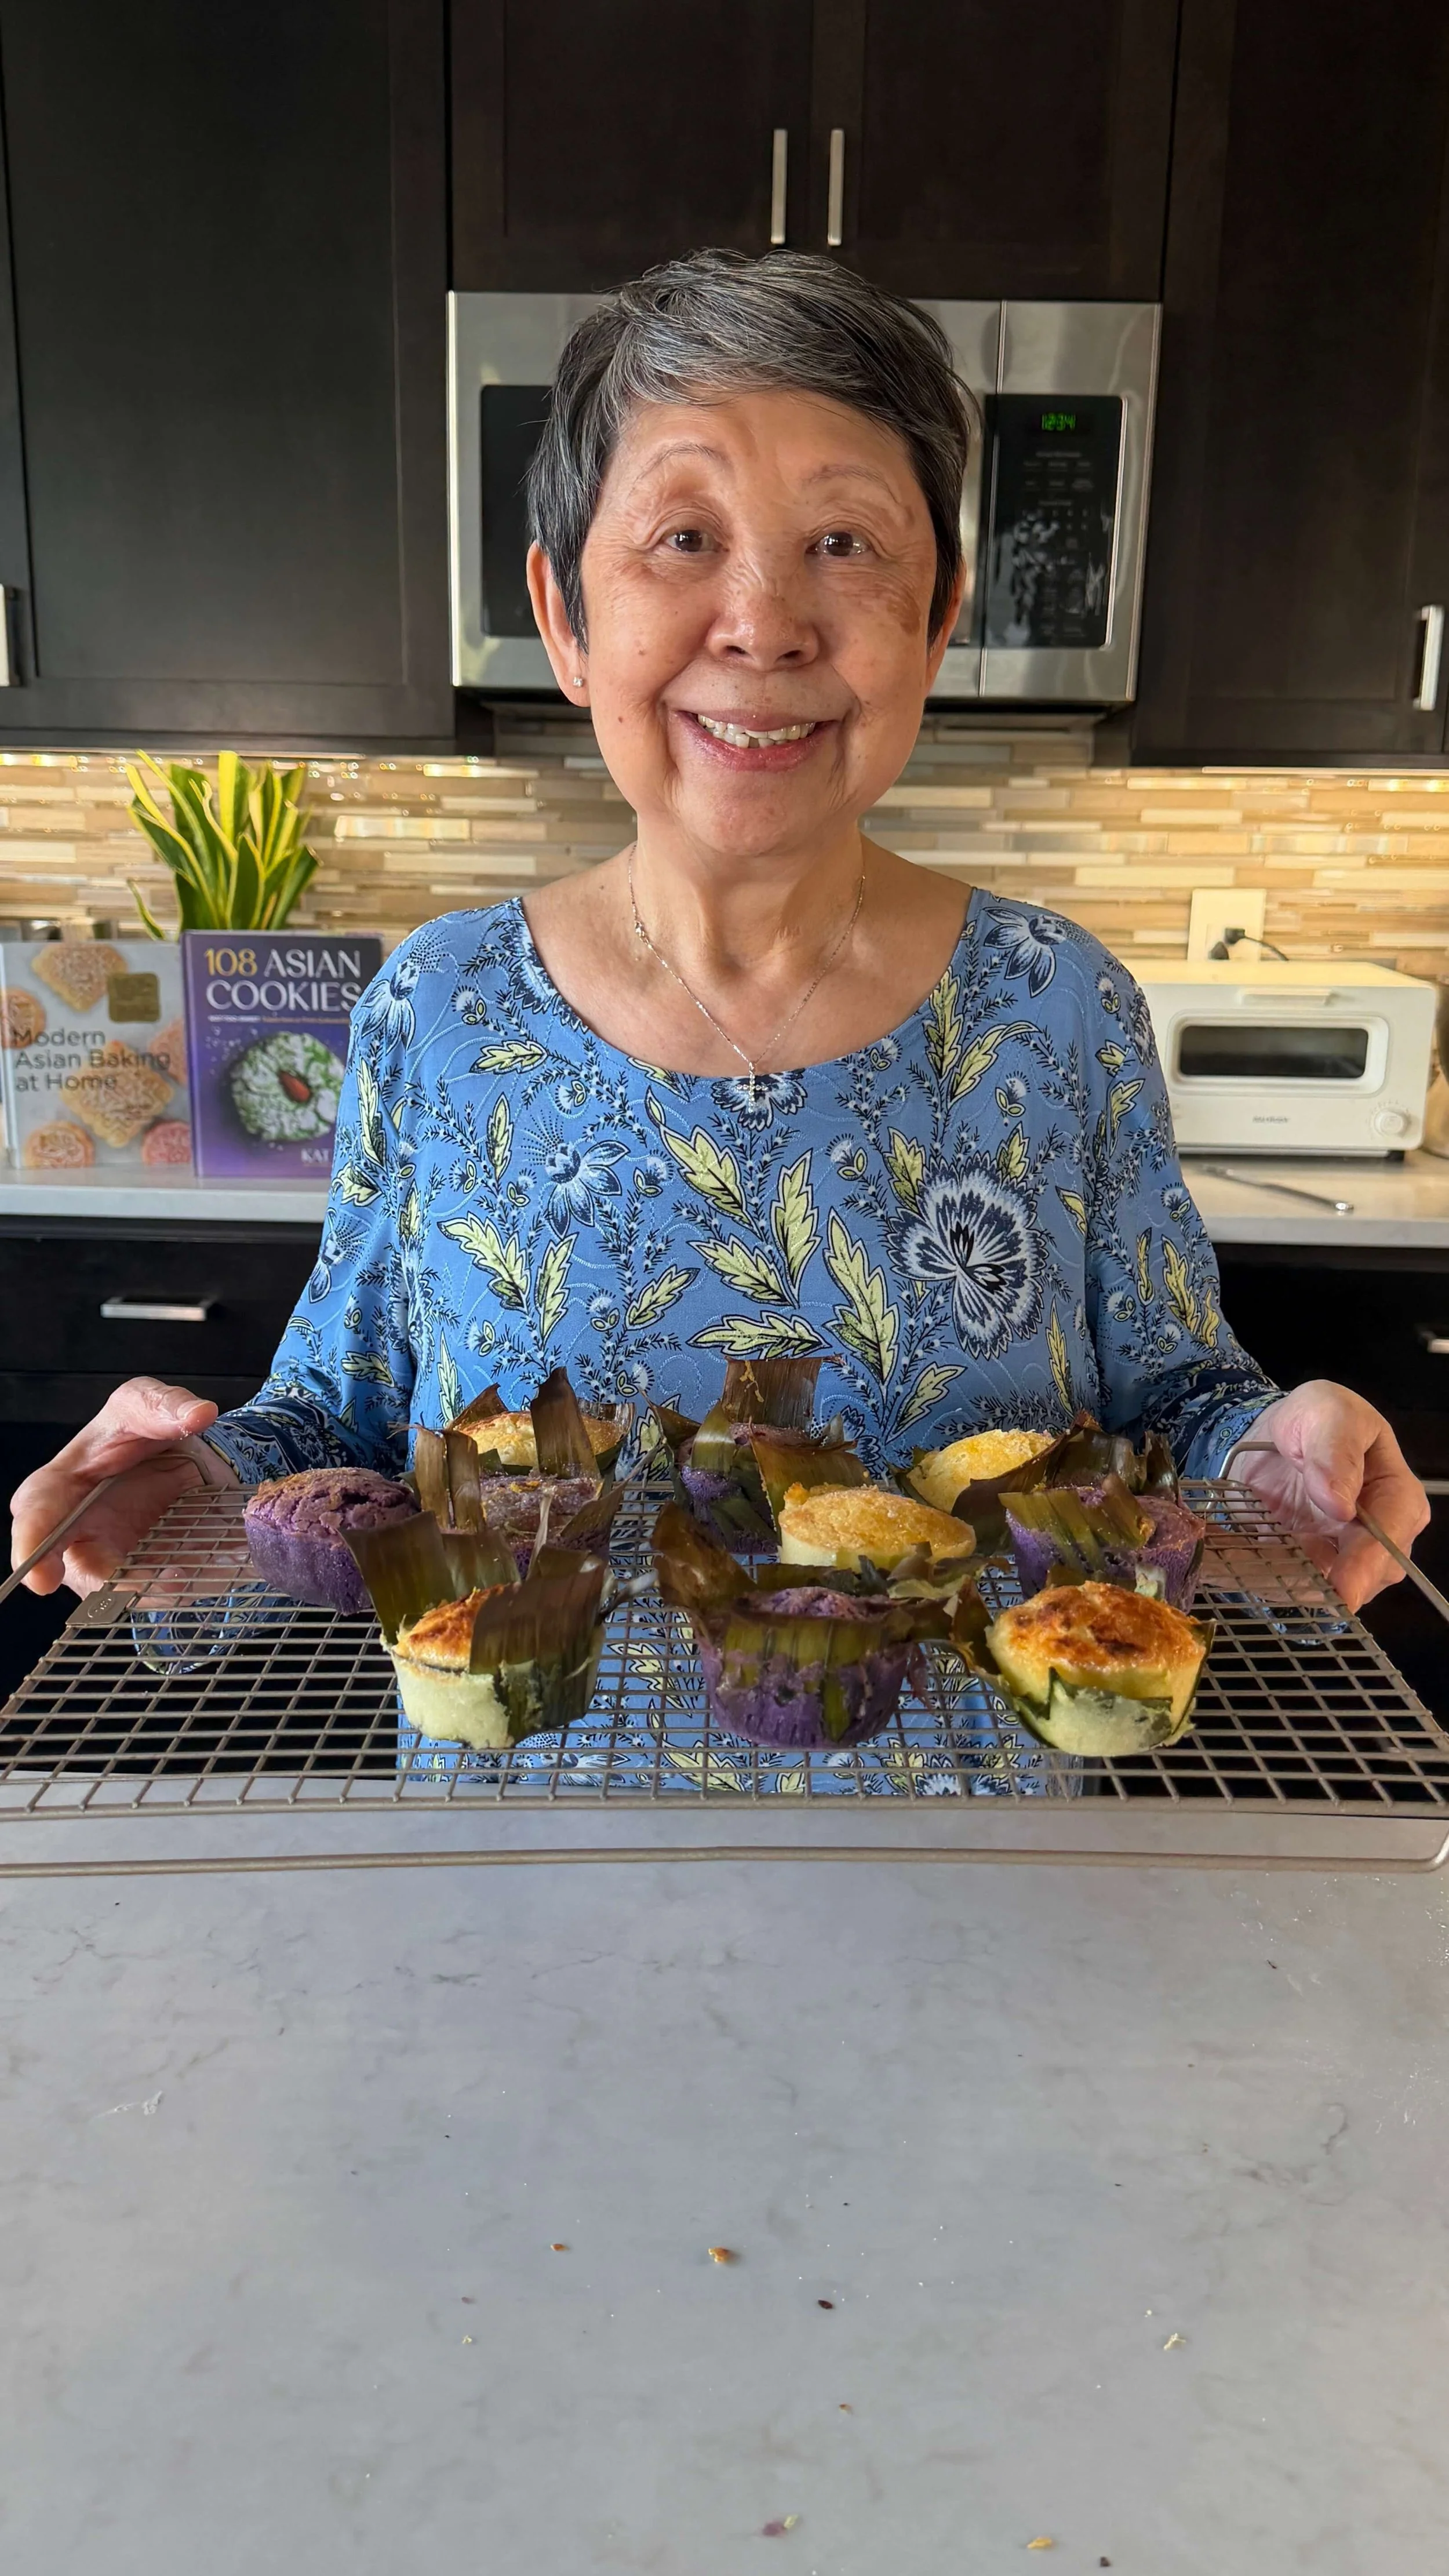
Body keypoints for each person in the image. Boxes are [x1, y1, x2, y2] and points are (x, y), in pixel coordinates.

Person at [10, 249, 1428, 1616]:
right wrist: (193, 1479)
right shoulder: (438, 1008)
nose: (762, 623)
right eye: (683, 538)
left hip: (976, 1786)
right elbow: (338, 1415)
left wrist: (1269, 1449)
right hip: (519, 1782)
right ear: (565, 616)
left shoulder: (1057, 1005)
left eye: (842, 544)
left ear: (935, 621)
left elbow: (1175, 1398)